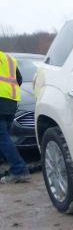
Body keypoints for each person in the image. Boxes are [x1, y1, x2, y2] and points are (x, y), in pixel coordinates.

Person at [0, 50, 30, 184]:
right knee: (4, 137)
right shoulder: (8, 58)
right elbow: (19, 80)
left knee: (3, 138)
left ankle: (19, 169)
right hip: (11, 102)